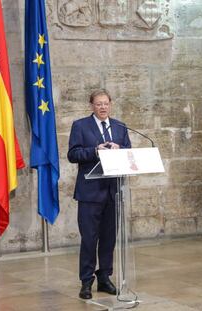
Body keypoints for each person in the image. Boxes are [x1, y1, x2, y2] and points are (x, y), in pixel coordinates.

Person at [67, 88, 131, 299]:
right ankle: (86, 281)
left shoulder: (120, 126)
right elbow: (73, 154)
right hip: (89, 194)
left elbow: (129, 152)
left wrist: (119, 149)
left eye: (106, 103)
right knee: (89, 239)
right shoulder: (80, 126)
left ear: (110, 104)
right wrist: (96, 151)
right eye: (99, 104)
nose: (103, 107)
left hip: (113, 193)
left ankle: (104, 277)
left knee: (108, 239)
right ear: (92, 106)